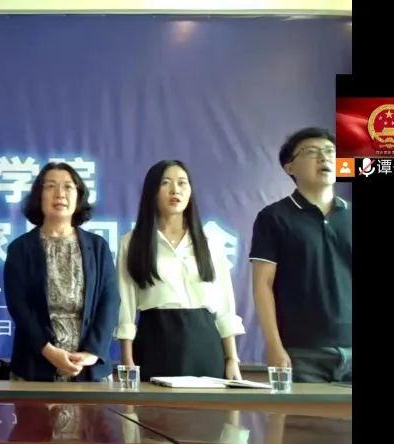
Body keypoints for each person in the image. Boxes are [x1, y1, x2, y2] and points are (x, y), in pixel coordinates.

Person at [116, 160, 245, 381]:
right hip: (156, 342)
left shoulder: (210, 241)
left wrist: (231, 358)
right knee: (155, 404)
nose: (175, 190)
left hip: (204, 343)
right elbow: (125, 305)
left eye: (182, 183)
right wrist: (127, 359)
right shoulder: (132, 242)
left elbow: (225, 304)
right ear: (152, 191)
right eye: (165, 183)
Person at [250, 127, 351, 383]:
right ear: (290, 167)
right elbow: (263, 285)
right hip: (301, 353)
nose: (324, 157)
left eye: (330, 151)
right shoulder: (274, 217)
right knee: (302, 412)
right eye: (311, 152)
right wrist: (274, 345)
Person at [3, 162, 119, 382]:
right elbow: (19, 307)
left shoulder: (97, 247)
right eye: (50, 186)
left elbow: (110, 300)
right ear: (38, 196)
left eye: (68, 187)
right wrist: (48, 350)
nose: (60, 194)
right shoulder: (20, 248)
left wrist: (92, 353)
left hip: (89, 368)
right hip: (35, 365)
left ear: (79, 196)